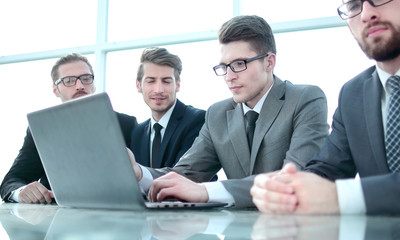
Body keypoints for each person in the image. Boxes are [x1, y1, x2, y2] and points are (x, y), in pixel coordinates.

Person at [129, 15, 329, 209]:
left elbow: (295, 179)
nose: (229, 76)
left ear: (269, 62)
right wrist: (138, 173)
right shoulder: (217, 114)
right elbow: (185, 175)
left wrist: (207, 192)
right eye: (224, 66)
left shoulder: (305, 99)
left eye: (239, 64)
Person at [250, 0, 400, 215]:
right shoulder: (353, 93)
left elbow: (338, 194)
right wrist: (287, 189)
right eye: (354, 6)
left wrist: (342, 197)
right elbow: (329, 167)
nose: (366, 14)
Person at [0, 53, 138, 204]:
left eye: (86, 78)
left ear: (93, 83)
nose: (80, 86)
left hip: (114, 213)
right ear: (56, 90)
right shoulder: (42, 129)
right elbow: (11, 181)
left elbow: (143, 177)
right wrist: (21, 192)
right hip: (56, 216)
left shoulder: (126, 124)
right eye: (69, 81)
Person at [130, 47, 206, 169]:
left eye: (166, 81)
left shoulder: (198, 120)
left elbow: (188, 176)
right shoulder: (138, 133)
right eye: (151, 81)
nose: (158, 90)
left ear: (178, 84)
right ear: (138, 86)